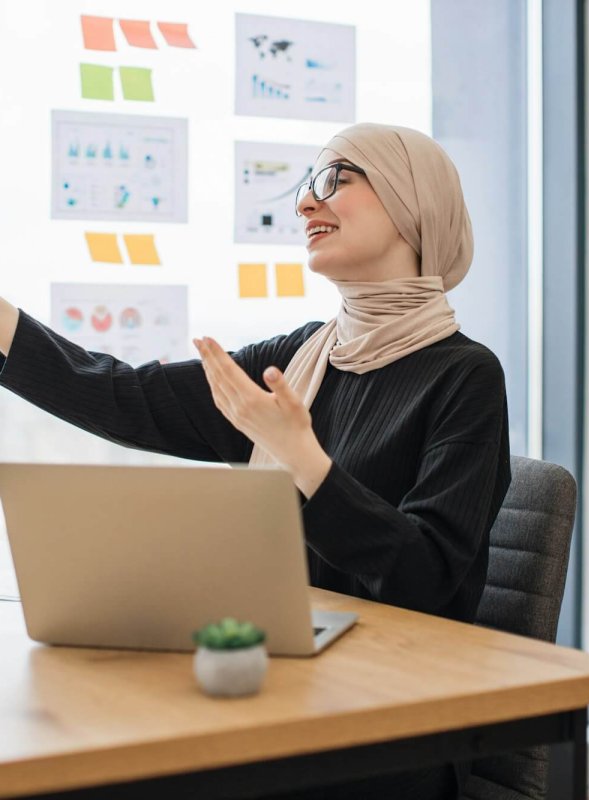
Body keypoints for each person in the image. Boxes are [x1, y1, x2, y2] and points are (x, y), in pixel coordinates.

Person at [0, 122, 510, 800]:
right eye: (304, 186)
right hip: (289, 684)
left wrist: (304, 461)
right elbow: (127, 399)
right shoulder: (300, 359)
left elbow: (427, 576)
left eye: (334, 180)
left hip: (396, 724)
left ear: (410, 199)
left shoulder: (466, 377)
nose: (304, 203)